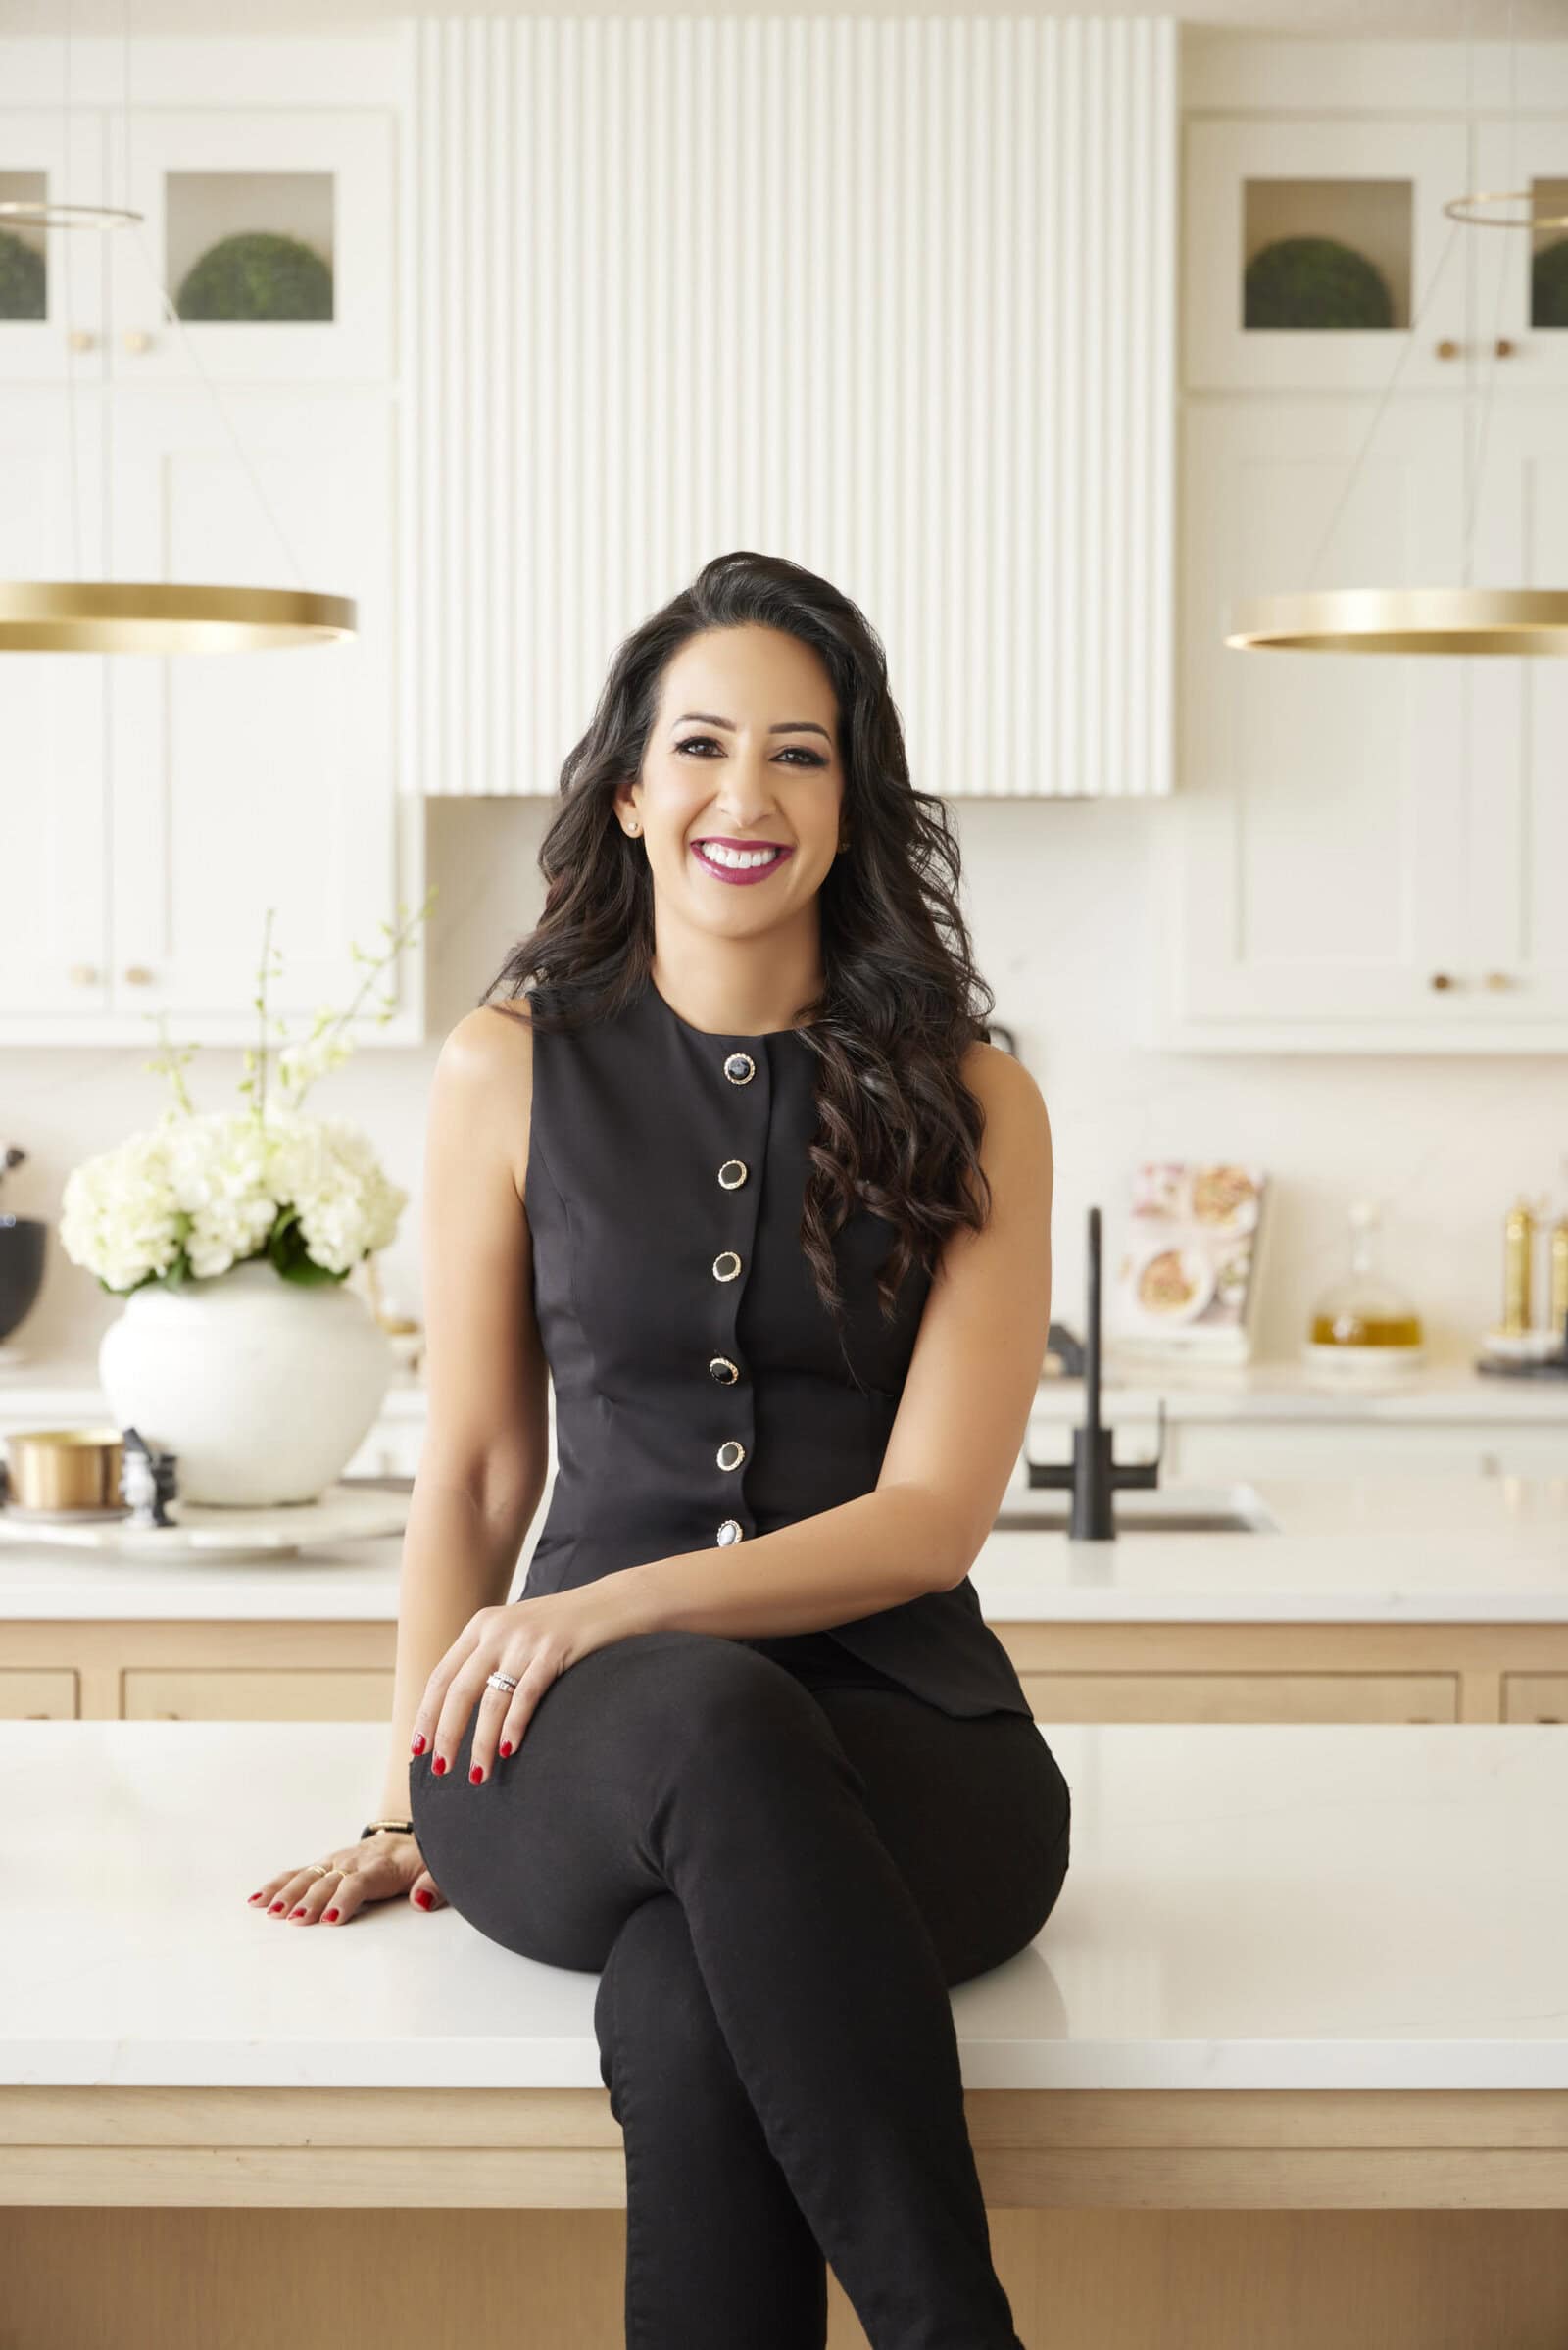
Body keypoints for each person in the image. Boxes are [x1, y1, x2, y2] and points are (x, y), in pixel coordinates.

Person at [248, 549, 1070, 2349]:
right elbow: (472, 1475)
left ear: (853, 809)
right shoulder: (507, 1065)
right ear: (629, 794)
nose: (744, 794)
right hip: (573, 1753)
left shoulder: (979, 1098)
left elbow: (931, 1520)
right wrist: (406, 1793)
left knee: (696, 2008)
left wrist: (606, 1606)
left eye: (800, 753)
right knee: (705, 1713)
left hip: (917, 1747)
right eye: (701, 746)